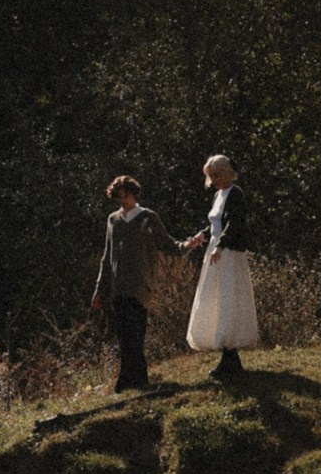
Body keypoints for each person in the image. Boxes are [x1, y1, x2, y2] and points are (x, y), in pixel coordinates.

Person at [90, 175, 199, 392]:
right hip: (118, 286)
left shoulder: (148, 217)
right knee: (124, 335)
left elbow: (169, 245)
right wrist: (99, 290)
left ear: (134, 194)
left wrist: (189, 244)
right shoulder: (113, 220)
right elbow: (107, 257)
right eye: (119, 197)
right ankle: (132, 380)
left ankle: (134, 380)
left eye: (126, 196)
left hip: (141, 285)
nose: (123, 201)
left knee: (136, 334)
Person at [185, 154, 259, 379]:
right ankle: (228, 357)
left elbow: (234, 223)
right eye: (211, 176)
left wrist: (221, 245)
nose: (214, 180)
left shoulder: (236, 194)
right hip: (216, 250)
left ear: (226, 172)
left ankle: (230, 357)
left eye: (216, 174)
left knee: (228, 298)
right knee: (216, 298)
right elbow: (215, 224)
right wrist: (203, 235)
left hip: (228, 252)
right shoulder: (219, 195)